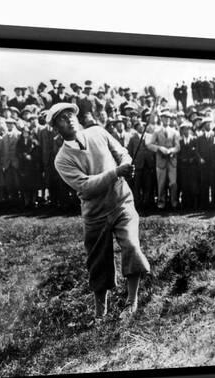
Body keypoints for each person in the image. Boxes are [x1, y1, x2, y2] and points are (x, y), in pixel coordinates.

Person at [51, 103, 150, 321]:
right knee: (98, 263)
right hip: (95, 214)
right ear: (56, 128)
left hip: (122, 201)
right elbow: (86, 185)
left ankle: (131, 302)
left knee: (132, 246)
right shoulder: (62, 159)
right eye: (62, 119)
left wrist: (125, 163)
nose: (69, 119)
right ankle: (100, 314)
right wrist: (116, 171)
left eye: (70, 115)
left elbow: (121, 152)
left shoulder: (98, 132)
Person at [147, 110, 181, 209]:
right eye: (165, 117)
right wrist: (159, 148)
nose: (167, 119)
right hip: (161, 160)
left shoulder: (175, 132)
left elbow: (178, 147)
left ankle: (174, 202)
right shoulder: (157, 131)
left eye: (168, 118)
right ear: (161, 119)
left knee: (173, 183)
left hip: (171, 160)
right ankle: (161, 203)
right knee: (161, 183)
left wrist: (171, 150)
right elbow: (149, 145)